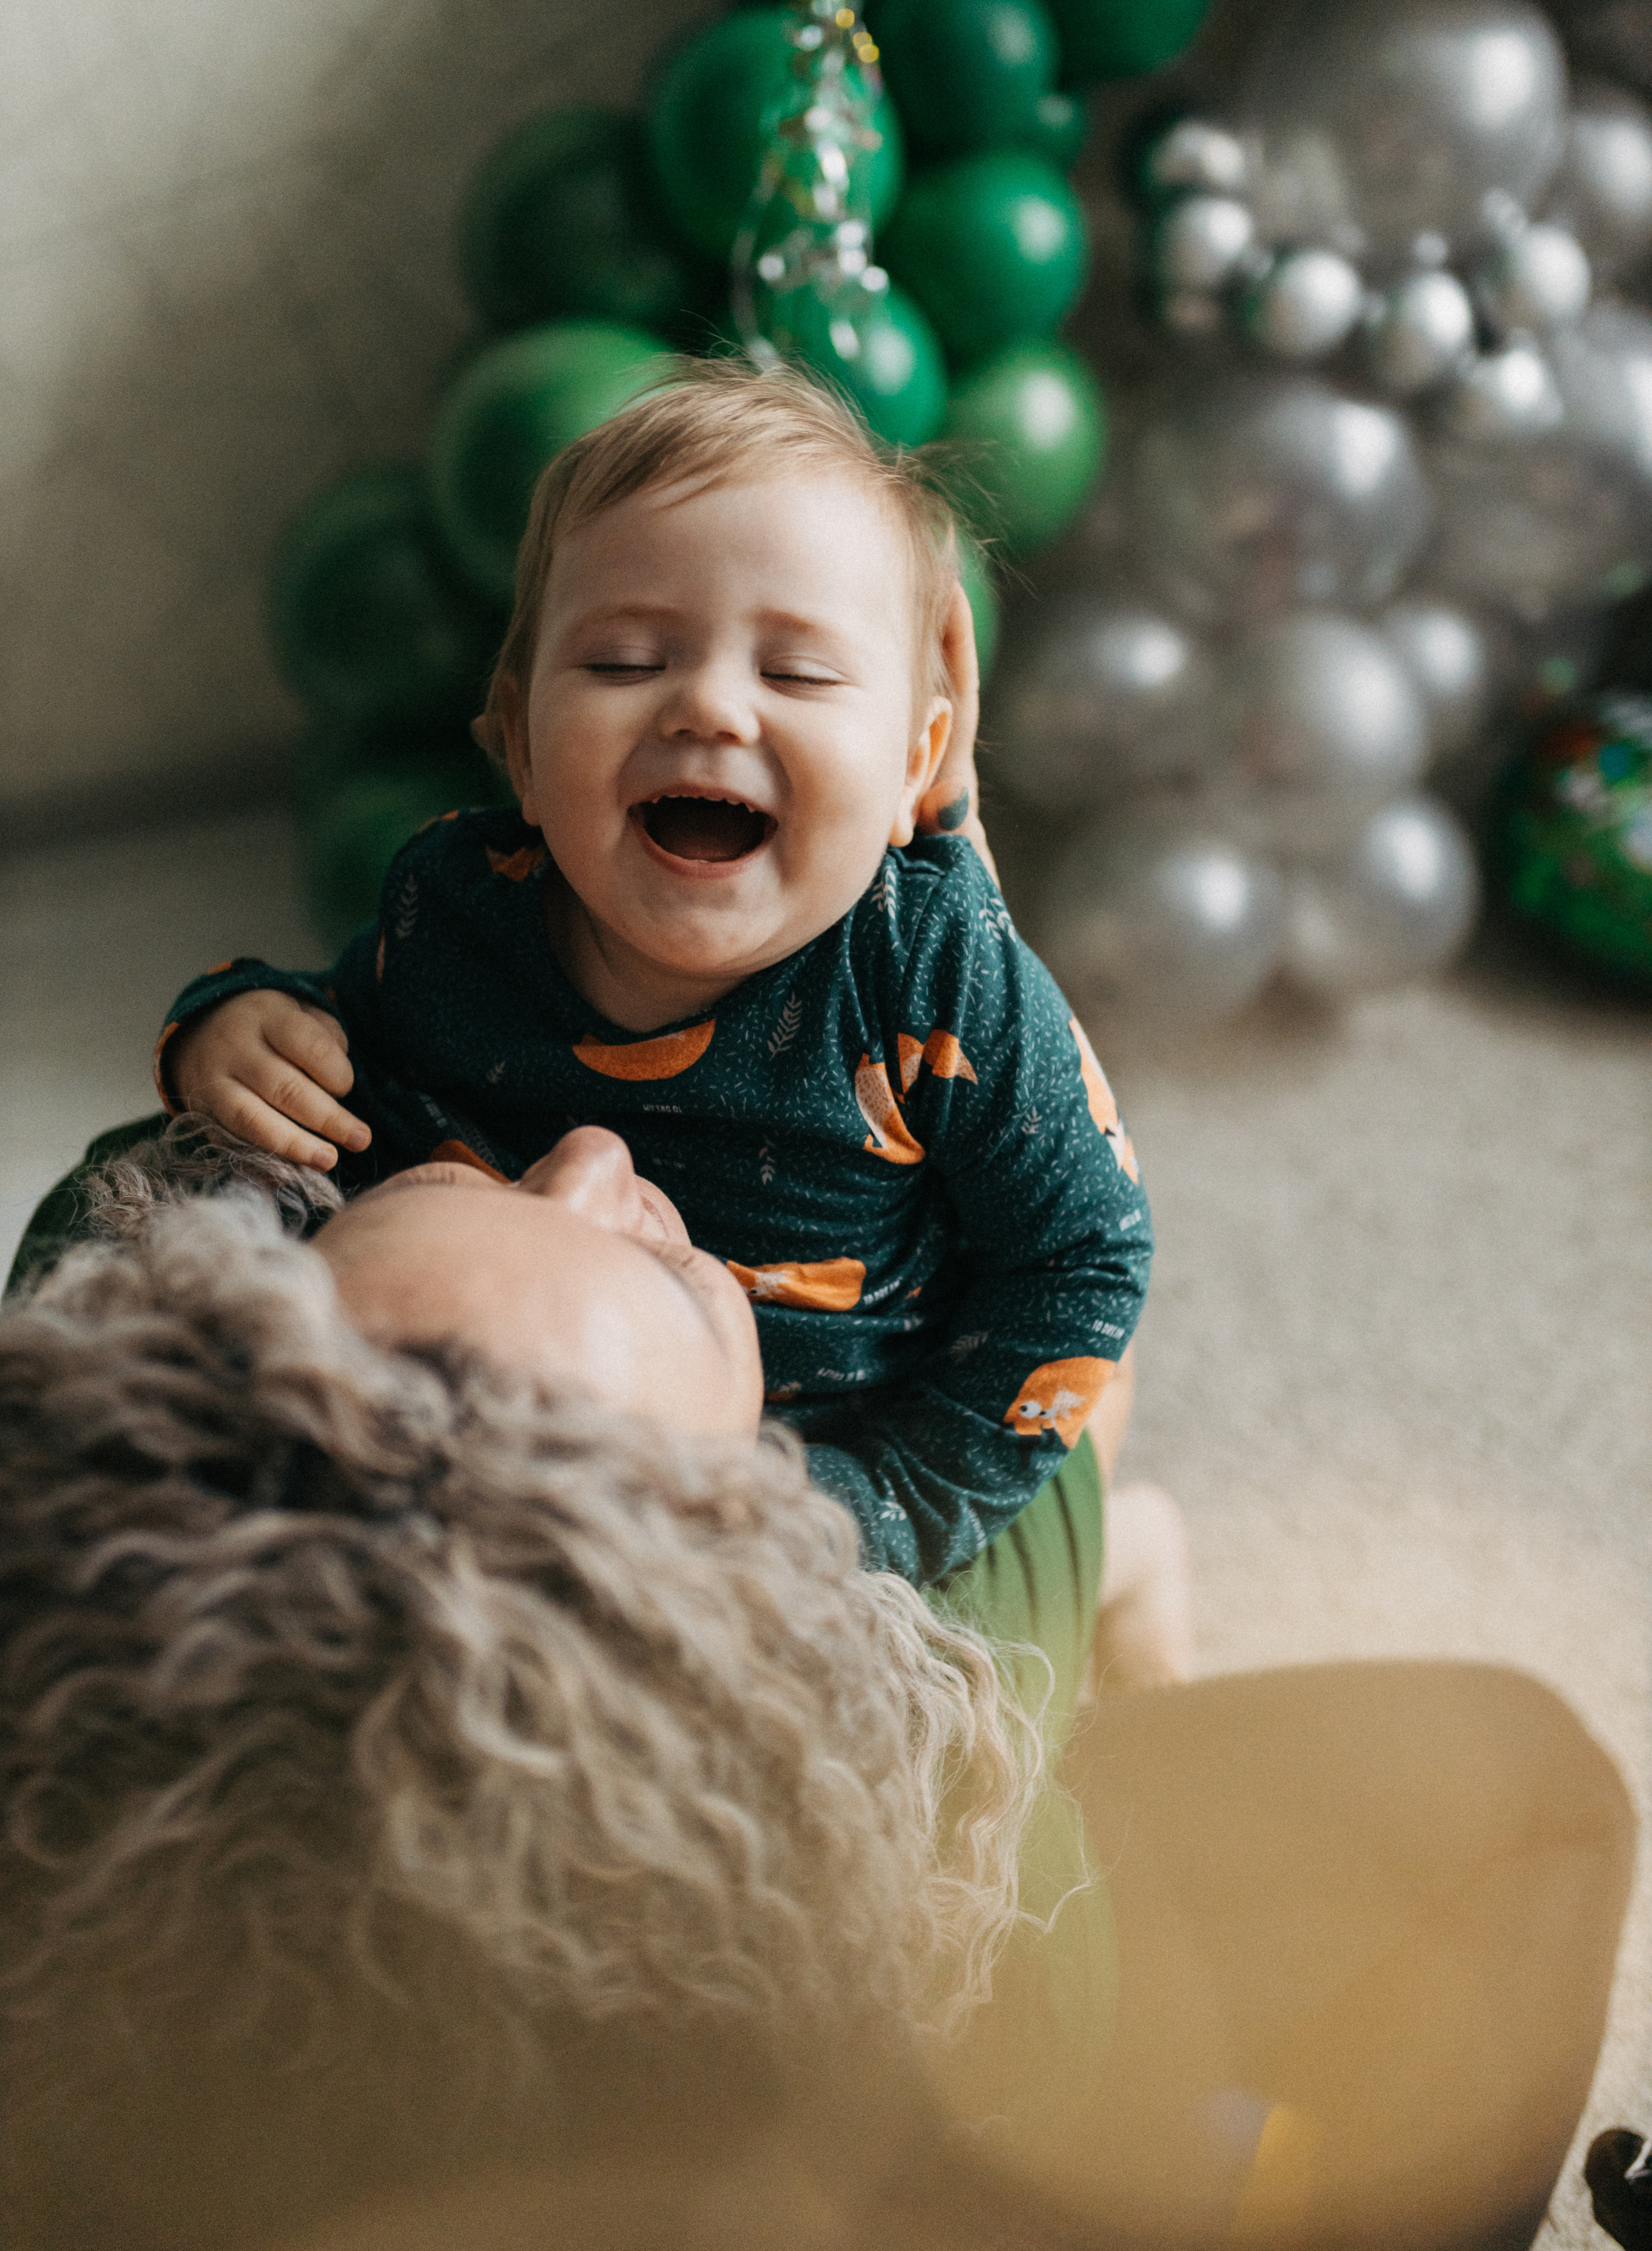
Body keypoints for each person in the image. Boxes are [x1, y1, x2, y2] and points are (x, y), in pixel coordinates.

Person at [0, 1132, 1635, 2251]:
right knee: (1523, 1785)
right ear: (755, 1601)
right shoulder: (905, 1809)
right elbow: (1059, 1407)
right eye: (662, 1277)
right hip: (1025, 2085)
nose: (596, 1154)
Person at [150, 361, 1156, 1595]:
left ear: (912, 766)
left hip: (853, 1453)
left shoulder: (933, 970)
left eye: (797, 673)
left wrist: (888, 1509)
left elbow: (1083, 1256)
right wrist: (229, 1025)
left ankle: (1133, 1558)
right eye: (627, 661)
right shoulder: (458, 911)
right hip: (567, 1428)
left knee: (1060, 1537)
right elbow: (324, 1053)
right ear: (520, 747)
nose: (709, 708)